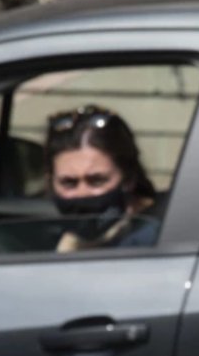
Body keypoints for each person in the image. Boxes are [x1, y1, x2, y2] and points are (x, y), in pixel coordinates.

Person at [44, 105, 160, 252]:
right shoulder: (51, 240)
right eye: (69, 183)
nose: (82, 193)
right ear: (50, 182)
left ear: (128, 179)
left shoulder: (156, 236)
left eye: (97, 181)